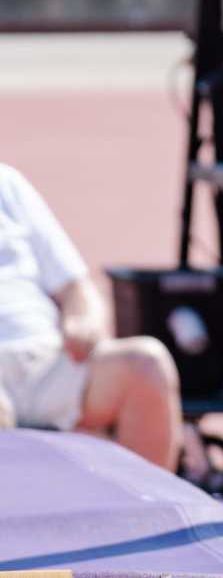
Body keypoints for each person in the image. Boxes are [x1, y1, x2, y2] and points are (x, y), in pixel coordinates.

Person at [0, 164, 182, 468]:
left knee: (147, 364)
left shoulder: (7, 183)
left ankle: (149, 512)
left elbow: (75, 284)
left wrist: (85, 319)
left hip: (48, 360)